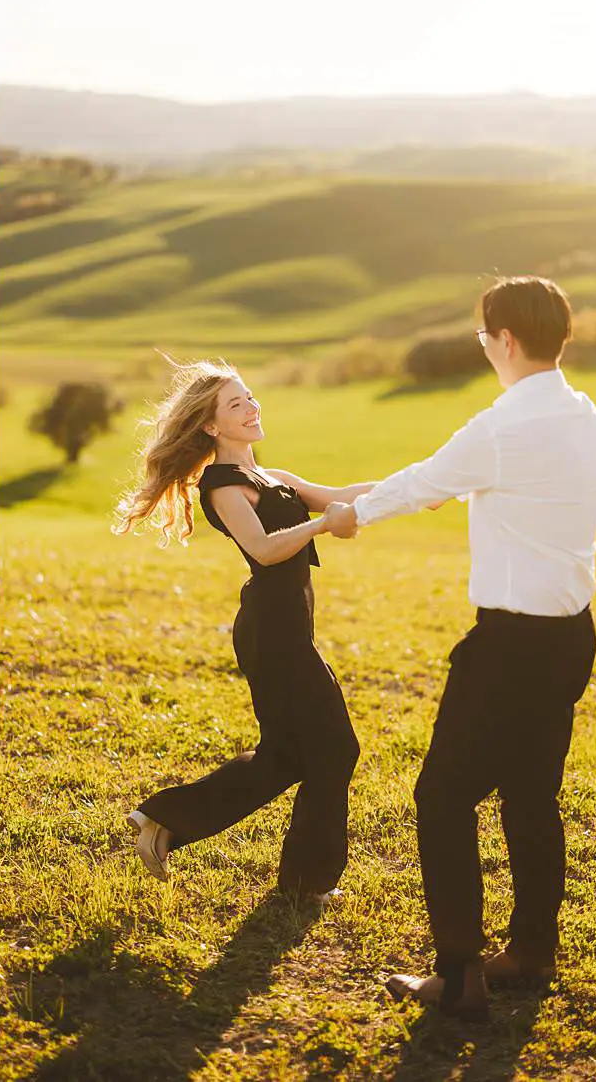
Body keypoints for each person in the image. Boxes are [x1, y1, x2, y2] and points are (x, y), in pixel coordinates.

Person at [325, 276, 596, 1020]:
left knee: (442, 798)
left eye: (485, 336)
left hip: (508, 645)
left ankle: (457, 978)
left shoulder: (500, 428)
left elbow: (423, 483)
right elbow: (452, 481)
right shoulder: (584, 414)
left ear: (505, 340)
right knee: (529, 796)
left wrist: (349, 515)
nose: (484, 346)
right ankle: (532, 951)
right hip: (571, 636)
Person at [113, 358, 370, 900]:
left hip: (289, 631)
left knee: (287, 755)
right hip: (273, 637)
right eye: (236, 404)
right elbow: (264, 548)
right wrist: (324, 522)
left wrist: (425, 484)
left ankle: (166, 820)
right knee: (335, 749)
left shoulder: (271, 478)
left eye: (250, 397)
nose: (252, 408)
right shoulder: (223, 486)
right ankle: (305, 882)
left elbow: (346, 490)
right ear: (211, 426)